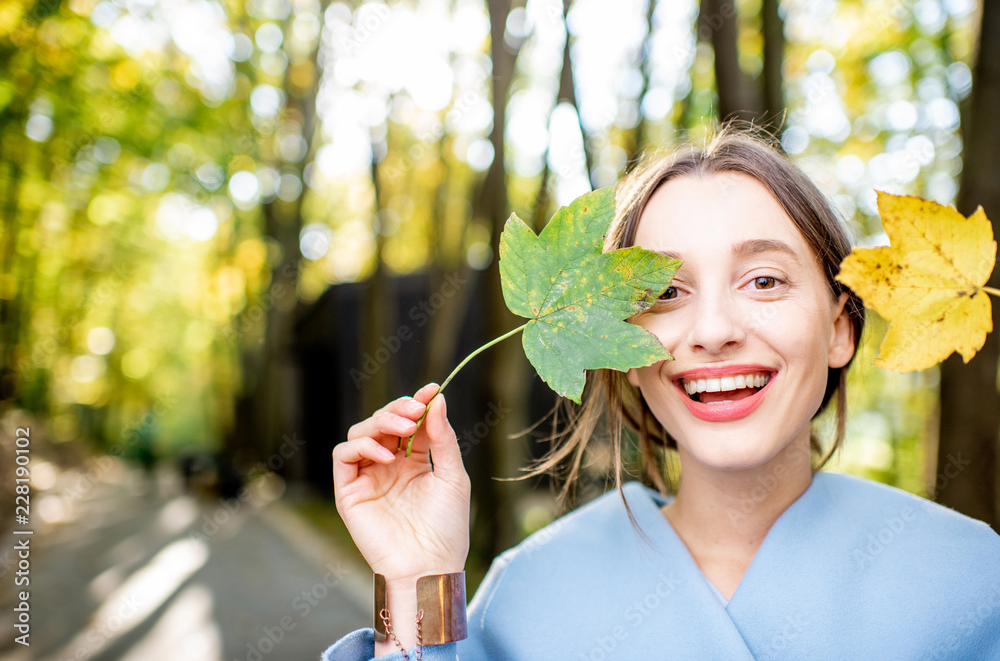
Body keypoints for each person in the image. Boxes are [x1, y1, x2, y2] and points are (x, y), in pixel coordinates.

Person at [325, 129, 1000, 660]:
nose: (712, 330)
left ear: (840, 329)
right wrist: (415, 582)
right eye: (666, 293)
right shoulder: (528, 592)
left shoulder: (971, 578)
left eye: (764, 280)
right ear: (624, 353)